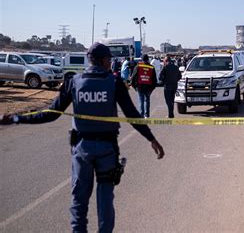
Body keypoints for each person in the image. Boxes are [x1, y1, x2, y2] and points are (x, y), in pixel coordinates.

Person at [0, 42, 164, 232]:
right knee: (105, 202)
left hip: (82, 149)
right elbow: (132, 114)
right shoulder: (114, 82)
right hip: (107, 150)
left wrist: (18, 118)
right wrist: (151, 138)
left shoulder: (74, 82)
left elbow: (51, 113)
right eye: (109, 60)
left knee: (79, 202)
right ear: (103, 60)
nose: (111, 63)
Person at [130, 54, 158, 118]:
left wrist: (134, 86)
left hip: (140, 87)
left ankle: (141, 115)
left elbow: (133, 77)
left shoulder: (138, 66)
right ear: (148, 59)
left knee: (141, 101)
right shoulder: (151, 67)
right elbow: (154, 79)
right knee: (147, 101)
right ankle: (147, 115)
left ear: (141, 59)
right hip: (148, 87)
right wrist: (152, 88)